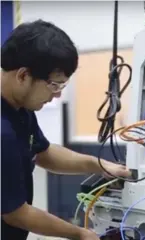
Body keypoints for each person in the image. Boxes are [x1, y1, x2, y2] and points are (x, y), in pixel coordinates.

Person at [1, 19, 131, 240]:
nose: (58, 94)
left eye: (62, 86)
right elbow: (15, 213)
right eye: (54, 85)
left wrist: (97, 165)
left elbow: (44, 152)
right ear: (23, 75)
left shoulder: (20, 108)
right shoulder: (2, 131)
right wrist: (79, 234)